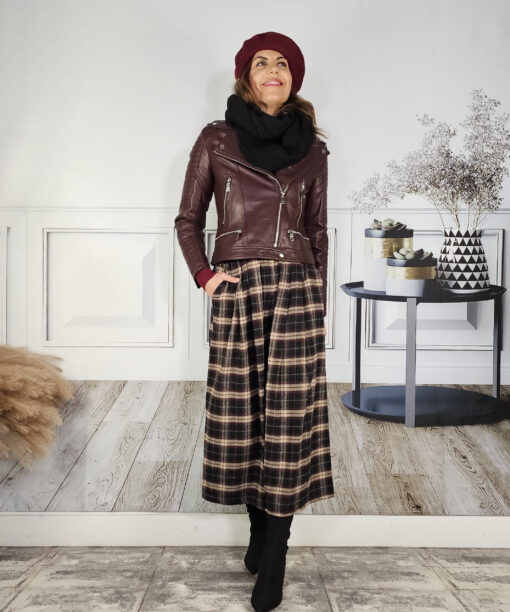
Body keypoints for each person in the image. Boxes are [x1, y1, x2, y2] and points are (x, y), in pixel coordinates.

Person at [174, 31, 335, 612]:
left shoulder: (313, 150)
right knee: (242, 415)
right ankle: (257, 528)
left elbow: (317, 230)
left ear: (293, 78)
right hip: (238, 288)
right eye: (261, 62)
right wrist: (206, 276)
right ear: (246, 76)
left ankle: (277, 552)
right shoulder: (216, 139)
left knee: (288, 421)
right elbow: (188, 219)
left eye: (283, 63)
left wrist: (317, 297)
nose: (273, 70)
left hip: (296, 289)